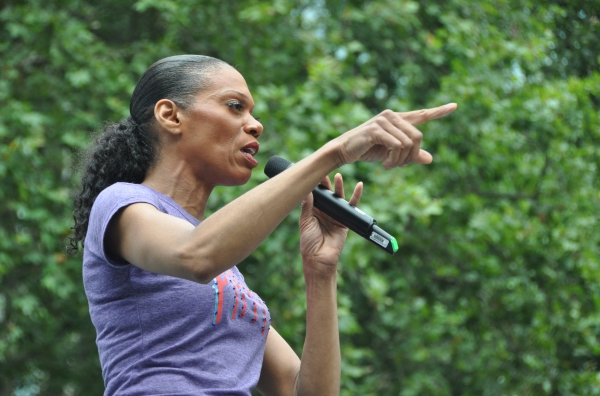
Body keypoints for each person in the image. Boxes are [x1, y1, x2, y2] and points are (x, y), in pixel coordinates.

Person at [68, 54, 456, 396]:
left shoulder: (231, 278)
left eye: (251, 113)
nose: (255, 125)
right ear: (171, 115)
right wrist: (334, 152)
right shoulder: (120, 203)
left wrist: (321, 271)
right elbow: (196, 255)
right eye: (235, 106)